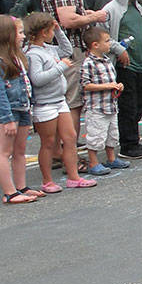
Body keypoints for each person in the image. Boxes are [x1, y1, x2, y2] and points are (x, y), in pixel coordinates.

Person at [33, 0, 108, 148]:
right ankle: (68, 152)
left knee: (55, 101)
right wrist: (95, 16)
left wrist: (84, 11)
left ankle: (56, 151)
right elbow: (66, 19)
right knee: (71, 104)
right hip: (67, 49)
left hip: (48, 49)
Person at [23, 12, 92, 191]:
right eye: (51, 30)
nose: (53, 33)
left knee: (69, 138)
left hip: (59, 101)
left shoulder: (49, 48)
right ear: (44, 32)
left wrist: (60, 31)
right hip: (45, 104)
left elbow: (67, 50)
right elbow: (37, 79)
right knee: (48, 142)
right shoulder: (33, 54)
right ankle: (47, 181)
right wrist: (61, 67)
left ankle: (73, 177)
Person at [0, 14, 39, 202]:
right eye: (20, 32)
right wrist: (6, 119)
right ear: (8, 34)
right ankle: (9, 192)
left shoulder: (17, 57)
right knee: (4, 152)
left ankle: (21, 186)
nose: (23, 36)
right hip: (9, 111)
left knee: (20, 150)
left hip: (22, 107)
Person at [103, 0, 142, 159]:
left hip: (140, 61)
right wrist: (118, 49)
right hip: (125, 64)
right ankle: (128, 144)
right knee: (128, 105)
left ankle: (135, 140)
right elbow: (104, 36)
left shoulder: (138, 7)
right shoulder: (111, 9)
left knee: (139, 103)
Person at [79, 26, 128, 177]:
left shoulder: (107, 60)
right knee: (96, 135)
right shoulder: (88, 63)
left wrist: (118, 86)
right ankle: (93, 162)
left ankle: (111, 158)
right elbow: (85, 85)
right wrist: (107, 86)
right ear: (95, 44)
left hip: (110, 105)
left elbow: (111, 80)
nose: (109, 44)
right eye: (107, 41)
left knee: (112, 134)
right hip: (97, 108)